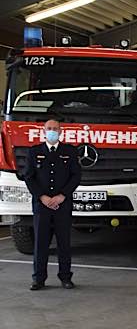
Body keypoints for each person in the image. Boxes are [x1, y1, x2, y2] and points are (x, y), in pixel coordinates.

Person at [24, 119, 81, 290]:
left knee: (64, 243)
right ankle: (38, 279)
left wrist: (62, 195)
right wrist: (41, 196)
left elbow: (76, 176)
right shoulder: (34, 152)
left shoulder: (69, 151)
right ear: (44, 131)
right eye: (49, 128)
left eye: (55, 129)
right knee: (41, 243)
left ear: (61, 131)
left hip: (62, 204)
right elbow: (29, 177)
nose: (52, 131)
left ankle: (65, 277)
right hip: (41, 205)